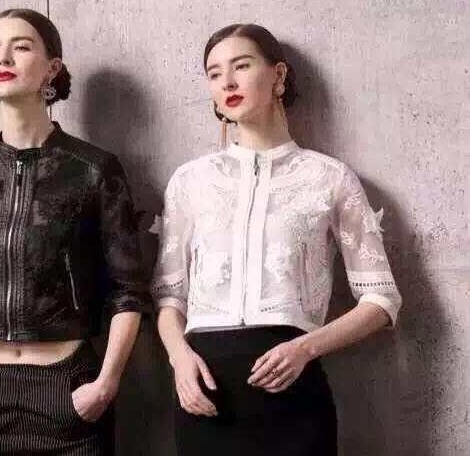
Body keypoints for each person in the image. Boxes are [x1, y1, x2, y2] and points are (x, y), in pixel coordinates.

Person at [152, 23, 402, 455]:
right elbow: (169, 296)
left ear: (278, 76)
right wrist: (179, 359)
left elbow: (381, 299)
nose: (227, 82)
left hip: (293, 392)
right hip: (203, 392)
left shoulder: (329, 178)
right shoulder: (189, 182)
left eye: (241, 66)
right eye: (214, 73)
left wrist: (305, 348)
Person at [0, 8, 148, 455]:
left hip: (68, 389)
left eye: (22, 46)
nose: (4, 57)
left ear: (52, 69)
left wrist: (105, 384)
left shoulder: (93, 170)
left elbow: (128, 291)